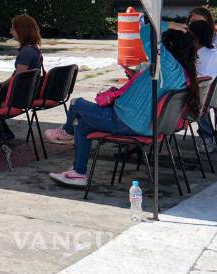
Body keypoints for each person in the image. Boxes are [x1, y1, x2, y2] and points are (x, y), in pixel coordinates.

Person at [46, 28, 200, 188]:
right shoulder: (181, 73)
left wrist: (167, 24)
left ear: (170, 47)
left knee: (76, 104)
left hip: (125, 121)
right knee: (81, 124)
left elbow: (147, 31)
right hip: (144, 125)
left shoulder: (168, 65)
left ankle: (65, 133)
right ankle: (78, 173)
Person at [189, 18, 217, 153]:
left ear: (195, 38)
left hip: (205, 99)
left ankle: (207, 137)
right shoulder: (212, 52)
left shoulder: (200, 57)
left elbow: (197, 82)